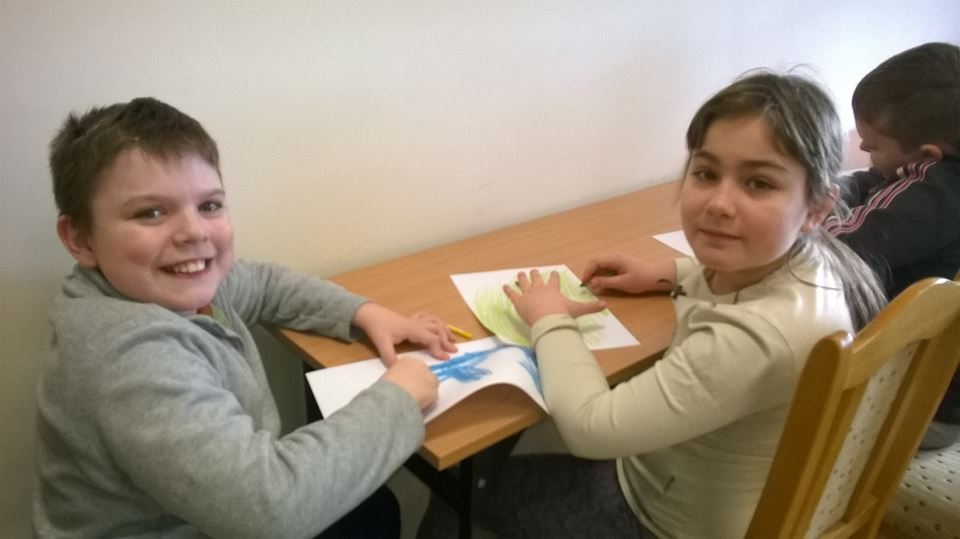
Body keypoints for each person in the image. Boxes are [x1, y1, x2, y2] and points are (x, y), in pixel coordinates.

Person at [420, 71, 886, 538]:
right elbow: (737, 273)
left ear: (816, 208)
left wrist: (550, 318)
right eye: (706, 174)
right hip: (707, 489)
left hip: (662, 520)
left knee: (457, 491)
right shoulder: (812, 264)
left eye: (759, 183)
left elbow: (589, 429)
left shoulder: (755, 338)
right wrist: (664, 274)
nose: (719, 204)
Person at [34, 97, 459, 538]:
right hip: (237, 517)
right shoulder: (131, 360)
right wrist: (397, 398)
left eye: (209, 205)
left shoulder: (166, 286)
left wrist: (364, 312)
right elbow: (271, 510)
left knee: (373, 508)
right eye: (151, 212)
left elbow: (263, 284)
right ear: (80, 238)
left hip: (222, 510)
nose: (194, 231)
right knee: (370, 515)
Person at [824, 42, 960, 449]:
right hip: (937, 396)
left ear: (927, 155)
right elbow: (876, 183)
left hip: (911, 410)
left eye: (871, 146)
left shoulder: (930, 196)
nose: (864, 154)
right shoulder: (943, 174)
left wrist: (817, 206)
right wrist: (844, 189)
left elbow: (838, 247)